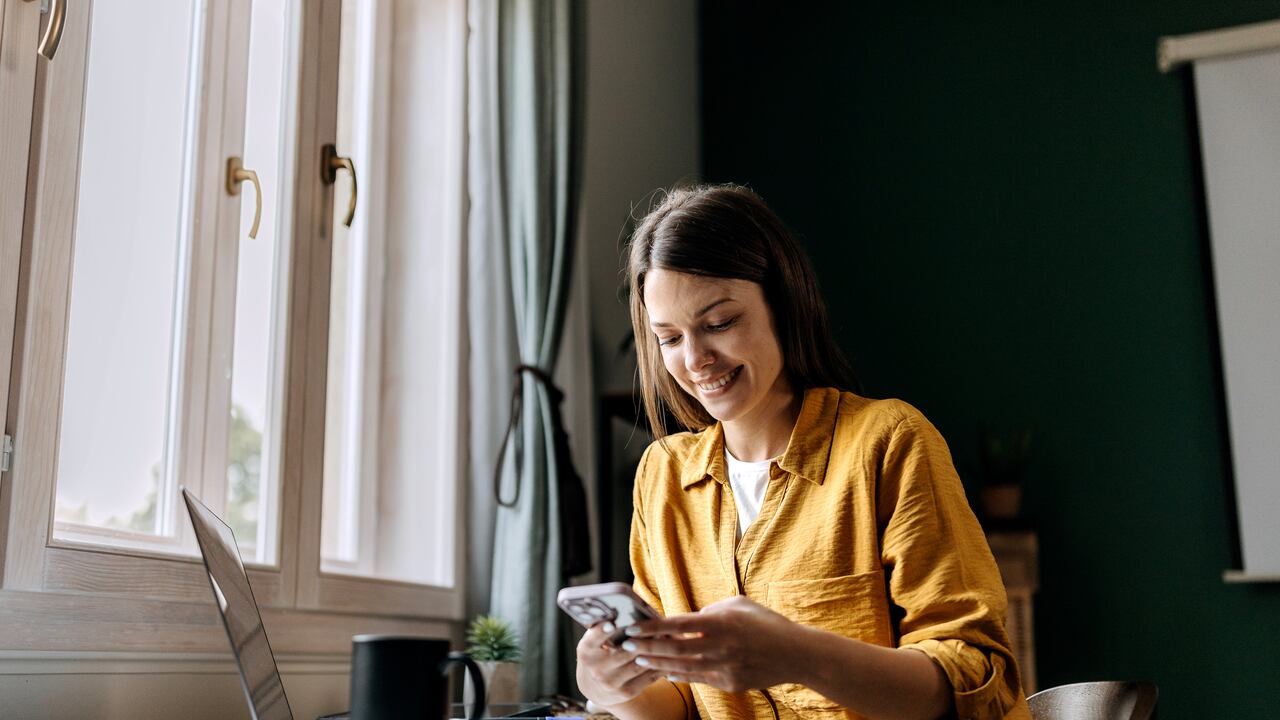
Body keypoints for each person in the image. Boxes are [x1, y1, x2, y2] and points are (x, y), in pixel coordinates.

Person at [575, 185, 1032, 720]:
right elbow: (676, 704)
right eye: (670, 338)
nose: (696, 358)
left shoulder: (889, 442)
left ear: (783, 304)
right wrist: (613, 687)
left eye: (719, 323)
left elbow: (977, 677)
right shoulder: (663, 476)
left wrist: (798, 654)